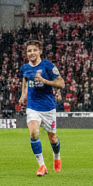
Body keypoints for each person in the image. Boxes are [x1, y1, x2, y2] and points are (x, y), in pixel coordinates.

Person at [18, 39, 65, 177]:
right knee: (33, 133)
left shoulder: (47, 66)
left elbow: (61, 84)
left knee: (53, 137)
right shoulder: (24, 68)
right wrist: (23, 95)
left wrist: (45, 81)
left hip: (48, 107)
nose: (31, 53)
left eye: (34, 50)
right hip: (33, 106)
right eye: (29, 51)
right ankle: (42, 165)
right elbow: (25, 80)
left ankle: (57, 155)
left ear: (40, 51)